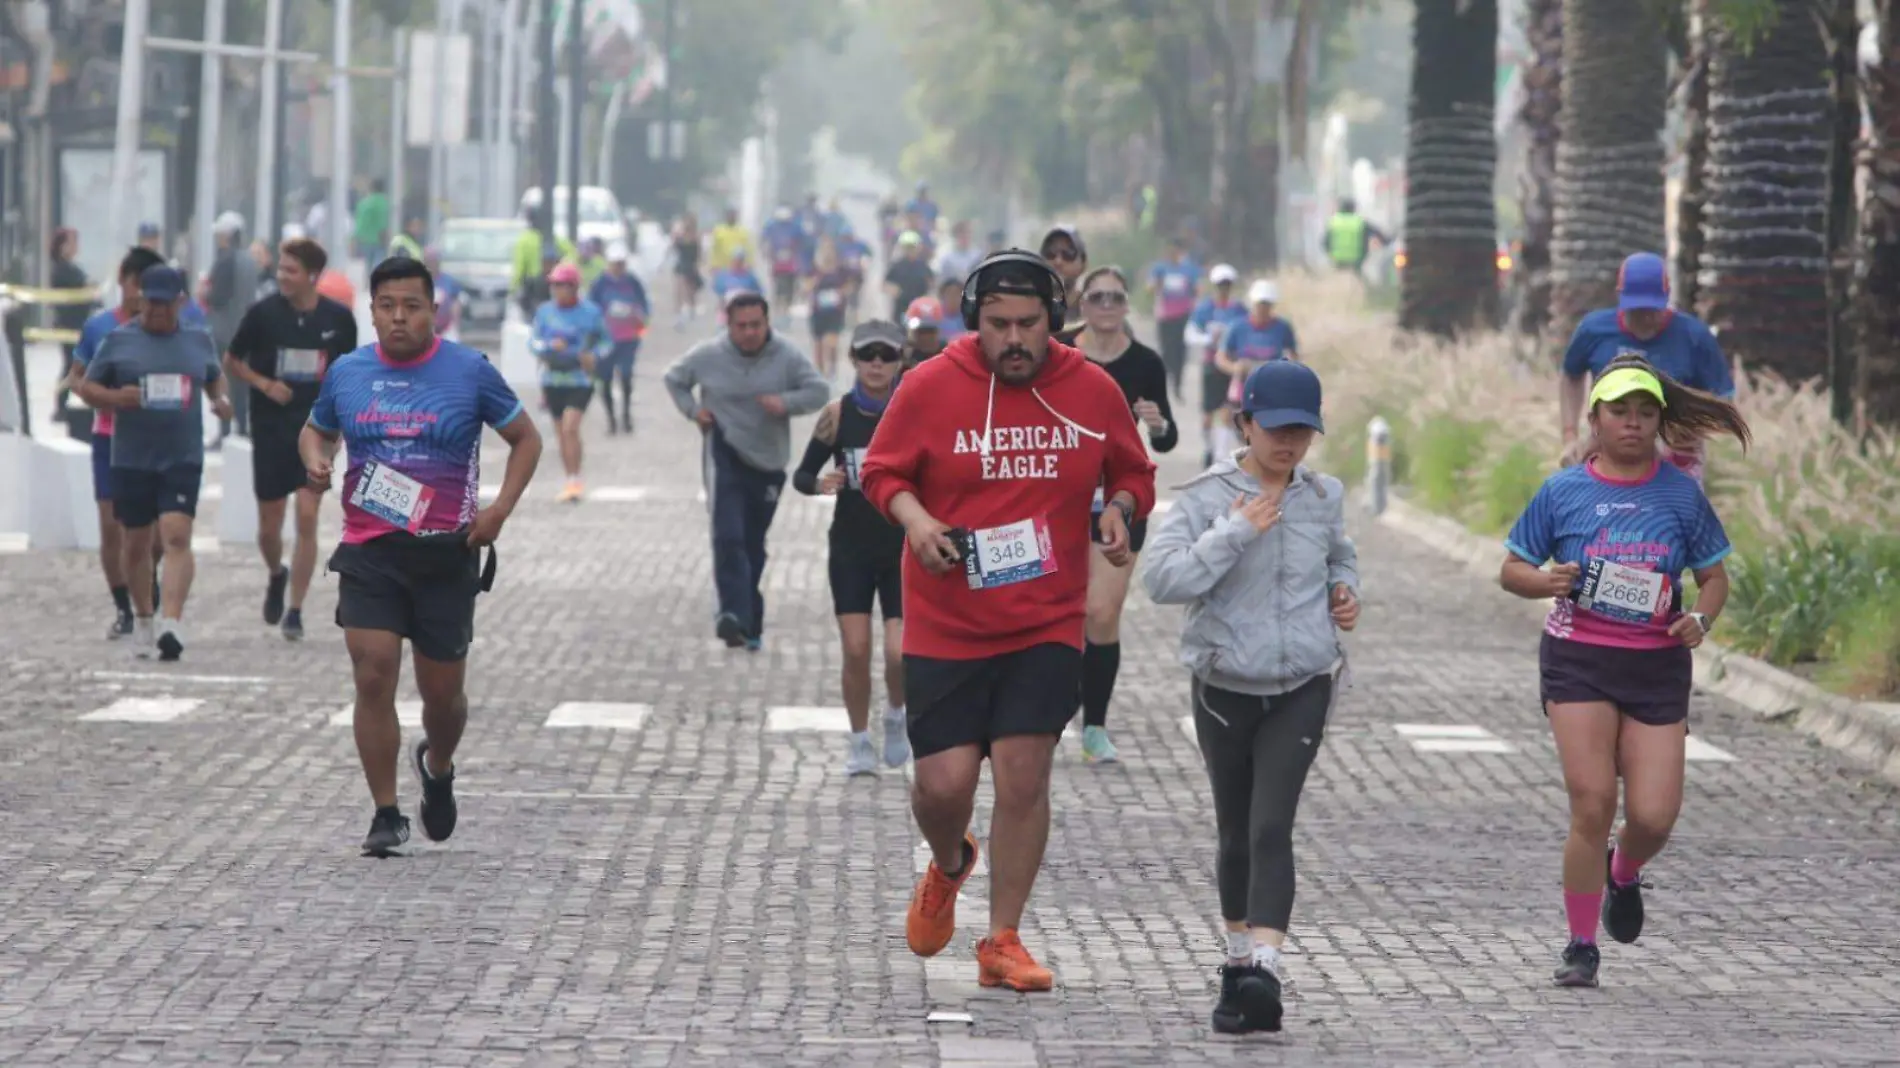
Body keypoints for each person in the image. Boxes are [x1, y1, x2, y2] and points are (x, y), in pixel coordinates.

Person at [857, 250, 1157, 993]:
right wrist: (918, 520)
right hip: (945, 620)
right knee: (941, 786)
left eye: (1029, 324)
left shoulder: (1091, 389)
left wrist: (1120, 513)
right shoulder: (929, 386)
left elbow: (1133, 472)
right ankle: (952, 861)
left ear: (1054, 320)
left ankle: (1003, 939)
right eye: (998, 326)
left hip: (1045, 619)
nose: (1014, 339)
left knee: (1025, 775)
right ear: (974, 323)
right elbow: (880, 472)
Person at [1499, 355, 1748, 989]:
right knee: (1592, 801)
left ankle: (1624, 871)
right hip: (1579, 660)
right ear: (1596, 418)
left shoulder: (1679, 493)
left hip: (1656, 667)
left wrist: (1701, 619)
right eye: (1619, 412)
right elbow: (1512, 569)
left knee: (1655, 816)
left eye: (1645, 413)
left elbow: (1714, 577)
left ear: (1660, 422)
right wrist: (1544, 581)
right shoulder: (1563, 491)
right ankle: (1581, 944)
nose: (1632, 424)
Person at [1142, 359, 1360, 1035]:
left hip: (1303, 683)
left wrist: (1345, 591)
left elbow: (1340, 556)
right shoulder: (1207, 496)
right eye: (1275, 428)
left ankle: (1265, 967)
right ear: (1244, 423)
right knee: (1235, 830)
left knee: (1272, 824)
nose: (1288, 443)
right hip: (1223, 688)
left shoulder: (1323, 496)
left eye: (1302, 430)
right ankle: (1237, 963)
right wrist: (1236, 531)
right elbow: (1162, 579)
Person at [301, 256, 543, 857]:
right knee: (373, 671)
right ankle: (385, 812)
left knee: (443, 698)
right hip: (370, 550)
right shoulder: (349, 374)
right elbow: (316, 429)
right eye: (387, 307)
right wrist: (314, 458)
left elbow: (526, 439)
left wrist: (498, 512)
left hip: (445, 554)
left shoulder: (470, 371)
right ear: (373, 311)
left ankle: (437, 763)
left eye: (412, 306)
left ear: (432, 310)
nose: (399, 317)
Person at [76, 265, 233, 661]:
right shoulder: (118, 340)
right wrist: (114, 398)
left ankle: (172, 624)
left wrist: (219, 399)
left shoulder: (198, 340)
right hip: (132, 457)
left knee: (177, 534)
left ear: (180, 303)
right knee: (136, 544)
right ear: (140, 300)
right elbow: (86, 387)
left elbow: (214, 376)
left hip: (182, 455)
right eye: (151, 303)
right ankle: (143, 618)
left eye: (166, 304)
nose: (157, 311)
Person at [664, 292, 830, 650]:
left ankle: (749, 621)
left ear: (767, 323)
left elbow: (818, 391)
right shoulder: (708, 355)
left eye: (756, 325)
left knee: (752, 544)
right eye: (742, 326)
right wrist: (694, 411)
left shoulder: (786, 356)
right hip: (723, 453)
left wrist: (784, 403)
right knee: (727, 537)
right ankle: (731, 615)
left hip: (768, 461)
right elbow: (674, 378)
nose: (750, 332)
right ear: (729, 325)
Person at [222, 236, 360, 640]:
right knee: (269, 527)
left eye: (290, 270)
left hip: (317, 430)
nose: (282, 276)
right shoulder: (262, 314)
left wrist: (347, 426)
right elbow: (232, 360)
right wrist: (264, 385)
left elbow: (348, 375)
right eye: (280, 268)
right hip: (270, 428)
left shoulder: (338, 320)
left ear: (312, 276)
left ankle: (296, 610)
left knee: (307, 515)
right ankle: (275, 572)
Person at [792, 319, 912, 775]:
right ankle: (859, 740)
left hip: (901, 547)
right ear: (854, 361)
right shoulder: (837, 415)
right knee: (857, 649)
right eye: (868, 355)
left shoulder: (914, 411)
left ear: (900, 360)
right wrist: (822, 482)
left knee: (900, 652)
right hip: (851, 547)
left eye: (886, 355)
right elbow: (801, 474)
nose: (877, 364)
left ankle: (896, 714)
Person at [1071, 267, 1177, 763]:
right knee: (1061, 614)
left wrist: (1157, 424)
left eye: (1116, 296)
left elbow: (1168, 436)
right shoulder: (1059, 354)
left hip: (1121, 498)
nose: (1107, 305)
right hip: (1059, 499)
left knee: (1102, 612)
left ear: (1127, 305)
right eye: (1097, 297)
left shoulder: (1146, 363)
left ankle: (1094, 726)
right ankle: (1049, 707)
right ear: (1082, 303)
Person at [66, 246, 174, 639]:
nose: (140, 295)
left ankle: (146, 577)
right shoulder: (99, 328)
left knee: (159, 533)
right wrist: (108, 397)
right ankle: (123, 607)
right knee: (113, 528)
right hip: (110, 438)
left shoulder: (173, 328)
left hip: (158, 440)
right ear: (124, 282)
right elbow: (76, 379)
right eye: (134, 285)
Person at [1559, 252, 1735, 483]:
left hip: (1677, 462)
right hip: (1607, 452)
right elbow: (1571, 376)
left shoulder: (1694, 337)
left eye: (1652, 310)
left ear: (1667, 297)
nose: (1645, 318)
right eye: (1636, 310)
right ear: (1620, 297)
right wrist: (1570, 435)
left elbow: (1724, 399)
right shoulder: (1594, 330)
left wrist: (1690, 427)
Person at [531, 262, 610, 501]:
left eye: (562, 285)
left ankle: (576, 478)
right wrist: (547, 346)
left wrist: (593, 356)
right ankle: (570, 479)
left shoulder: (591, 312)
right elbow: (533, 341)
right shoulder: (545, 312)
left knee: (570, 427)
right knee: (561, 433)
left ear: (574, 287)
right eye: (553, 285)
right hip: (553, 379)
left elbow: (606, 342)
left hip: (580, 379)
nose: (557, 290)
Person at [1185, 264, 1247, 467]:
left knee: (1229, 411)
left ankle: (1227, 454)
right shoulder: (1205, 308)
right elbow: (1190, 334)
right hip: (1211, 365)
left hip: (1231, 366)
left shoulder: (1239, 310)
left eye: (1227, 284)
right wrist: (1208, 339)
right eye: (1220, 285)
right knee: (1207, 415)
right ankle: (1209, 449)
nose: (1224, 288)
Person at [1216, 281, 1299, 425]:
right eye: (1259, 304)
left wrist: (1287, 367)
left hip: (1272, 381)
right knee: (1232, 419)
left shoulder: (1282, 327)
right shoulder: (1237, 327)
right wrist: (1234, 368)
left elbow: (1294, 355)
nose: (1262, 308)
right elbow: (1220, 357)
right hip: (1243, 382)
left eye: (1267, 304)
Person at [589, 242, 649, 435]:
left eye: (621, 263)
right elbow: (591, 309)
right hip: (606, 340)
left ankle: (626, 414)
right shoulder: (600, 284)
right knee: (604, 379)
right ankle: (611, 418)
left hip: (628, 338)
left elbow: (644, 305)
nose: (619, 267)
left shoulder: (632, 282)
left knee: (626, 375)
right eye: (615, 263)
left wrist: (639, 317)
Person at [205, 213, 249, 444]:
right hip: (245, 332)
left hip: (224, 332)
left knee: (221, 382)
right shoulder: (250, 260)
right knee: (241, 384)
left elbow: (218, 297)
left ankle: (223, 431)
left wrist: (206, 293)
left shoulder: (225, 261)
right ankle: (242, 428)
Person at [1147, 237, 1201, 401]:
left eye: (1176, 251)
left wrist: (1195, 302)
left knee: (1181, 352)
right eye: (1171, 251)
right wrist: (1158, 283)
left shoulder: (1188, 269)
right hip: (1165, 315)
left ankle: (1177, 384)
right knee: (1167, 351)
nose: (1173, 254)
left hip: (1183, 315)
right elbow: (1149, 288)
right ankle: (1164, 380)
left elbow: (1197, 288)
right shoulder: (1160, 268)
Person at [808, 239, 853, 377]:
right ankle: (820, 371)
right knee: (819, 343)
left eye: (830, 250)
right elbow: (805, 286)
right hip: (818, 310)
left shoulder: (841, 270)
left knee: (832, 341)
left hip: (835, 311)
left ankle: (832, 366)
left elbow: (850, 285)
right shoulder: (814, 269)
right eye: (824, 250)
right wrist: (813, 283)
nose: (827, 254)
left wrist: (842, 292)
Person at [1038, 226, 1089, 336]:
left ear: (1083, 263)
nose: (1058, 261)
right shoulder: (1030, 305)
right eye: (1050, 253)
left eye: (1068, 254)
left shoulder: (1095, 306)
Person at [1321, 197, 1388, 278]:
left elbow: (1324, 243)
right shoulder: (1360, 222)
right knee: (1359, 283)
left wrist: (1331, 255)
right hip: (1356, 261)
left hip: (1338, 261)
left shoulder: (1333, 222)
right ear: (1354, 208)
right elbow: (1378, 234)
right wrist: (1387, 242)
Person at [763, 206, 806, 310]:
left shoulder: (795, 227)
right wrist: (767, 252)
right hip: (778, 262)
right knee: (777, 282)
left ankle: (788, 301)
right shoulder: (772, 227)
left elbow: (801, 240)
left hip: (791, 262)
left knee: (791, 281)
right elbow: (766, 240)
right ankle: (778, 301)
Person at [884, 232, 934, 321]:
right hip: (901, 308)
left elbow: (931, 284)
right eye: (907, 247)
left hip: (920, 308)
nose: (910, 250)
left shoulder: (923, 266)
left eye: (912, 247)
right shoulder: (897, 266)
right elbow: (885, 284)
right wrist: (894, 290)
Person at [672, 213, 705, 327]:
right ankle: (679, 315)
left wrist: (698, 265)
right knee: (680, 290)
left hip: (691, 265)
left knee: (691, 292)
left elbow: (699, 253)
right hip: (682, 264)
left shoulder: (696, 237)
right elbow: (675, 248)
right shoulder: (680, 236)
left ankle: (691, 310)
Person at [424, 246, 463, 341]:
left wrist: (456, 325)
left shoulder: (449, 281)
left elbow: (456, 303)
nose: (432, 264)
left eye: (434, 261)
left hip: (446, 328)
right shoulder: (419, 282)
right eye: (429, 261)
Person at [935, 221, 985, 287]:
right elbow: (943, 281)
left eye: (968, 233)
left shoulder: (978, 256)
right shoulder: (948, 259)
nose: (965, 236)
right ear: (956, 236)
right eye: (962, 233)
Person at [353, 179, 391, 262]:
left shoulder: (363, 203)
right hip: (380, 238)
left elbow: (360, 222)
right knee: (379, 261)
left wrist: (356, 238)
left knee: (368, 264)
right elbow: (385, 221)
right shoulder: (385, 202)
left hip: (365, 239)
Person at [902, 297, 945, 367]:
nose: (925, 337)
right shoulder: (903, 356)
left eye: (930, 331)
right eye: (921, 331)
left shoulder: (948, 355)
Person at [936, 277, 969, 342]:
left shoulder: (969, 317)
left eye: (957, 294)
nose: (953, 298)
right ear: (942, 296)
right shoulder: (935, 316)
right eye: (949, 293)